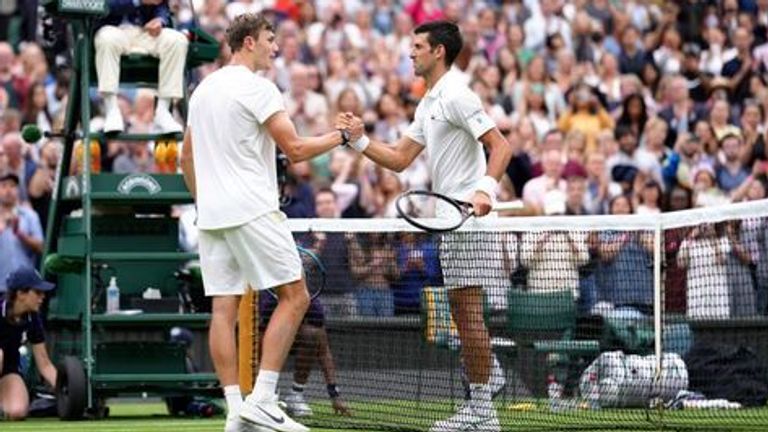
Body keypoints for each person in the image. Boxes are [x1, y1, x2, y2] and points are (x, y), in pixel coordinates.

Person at [180, 13, 359, 432]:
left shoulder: (202, 90)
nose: (274, 47)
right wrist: (343, 137)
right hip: (252, 209)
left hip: (212, 215)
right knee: (296, 296)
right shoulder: (259, 88)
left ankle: (235, 413)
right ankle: (262, 398)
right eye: (269, 39)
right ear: (247, 43)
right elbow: (295, 149)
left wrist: (206, 201)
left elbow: (187, 158)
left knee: (224, 309)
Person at [338, 20, 513, 432]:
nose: (410, 52)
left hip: (468, 222)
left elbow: (501, 146)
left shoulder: (456, 94)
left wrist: (485, 190)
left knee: (468, 318)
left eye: (417, 46)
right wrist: (359, 141)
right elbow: (399, 158)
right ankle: (489, 385)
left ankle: (483, 412)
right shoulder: (429, 102)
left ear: (438, 51)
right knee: (463, 315)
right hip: (450, 223)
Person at [95, 0, 188, 133]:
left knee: (177, 41)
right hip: (113, 30)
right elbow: (102, 5)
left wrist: (159, 19)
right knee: (106, 39)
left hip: (144, 31)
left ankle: (163, 111)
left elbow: (162, 5)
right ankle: (111, 110)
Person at [0, 266, 57, 420]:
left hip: (8, 369)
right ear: (20, 294)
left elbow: (44, 364)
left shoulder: (33, 318)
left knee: (17, 412)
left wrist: (67, 391)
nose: (43, 296)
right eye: (37, 292)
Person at [0, 173, 43, 292]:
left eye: (12, 186)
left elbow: (41, 247)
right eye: (3, 186)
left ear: (18, 190)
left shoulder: (30, 215)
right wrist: (2, 226)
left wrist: (20, 233)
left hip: (23, 288)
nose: (8, 190)